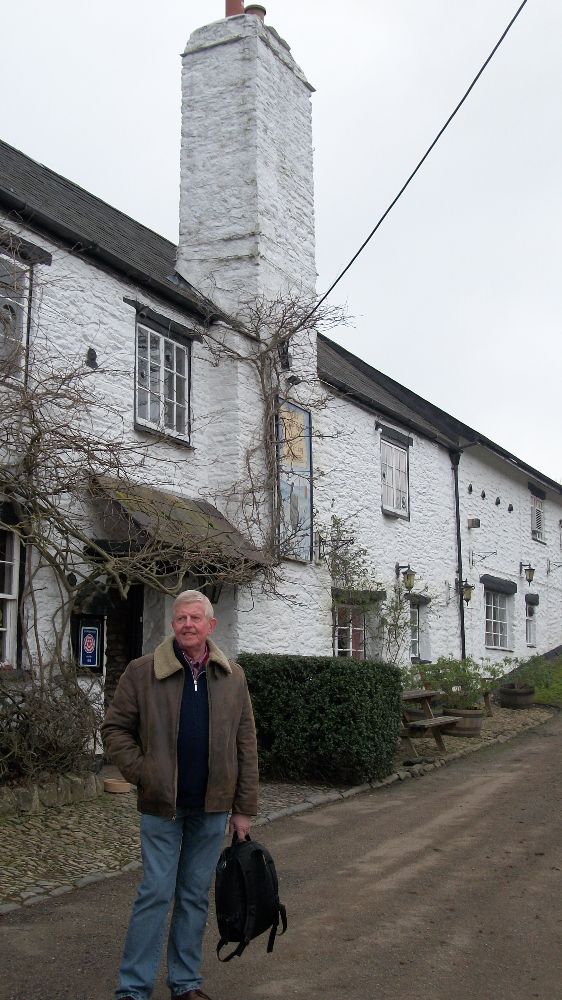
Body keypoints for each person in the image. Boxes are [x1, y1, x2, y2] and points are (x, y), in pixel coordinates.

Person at [101, 589, 259, 1000]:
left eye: (195, 618)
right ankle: (133, 989)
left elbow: (246, 744)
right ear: (172, 625)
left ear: (211, 625)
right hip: (162, 806)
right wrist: (144, 773)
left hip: (212, 807)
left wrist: (243, 809)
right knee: (154, 893)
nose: (188, 624)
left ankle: (185, 983)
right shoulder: (142, 672)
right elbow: (114, 730)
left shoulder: (232, 676)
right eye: (180, 619)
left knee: (193, 896)